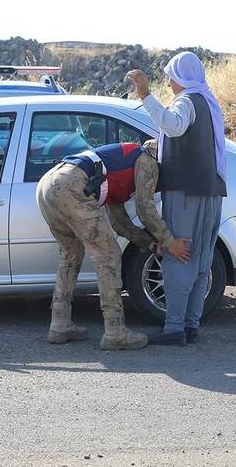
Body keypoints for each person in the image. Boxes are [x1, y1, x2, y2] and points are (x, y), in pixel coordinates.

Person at [36, 140, 190, 350]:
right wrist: (170, 242)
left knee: (70, 255)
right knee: (108, 255)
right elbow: (145, 208)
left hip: (49, 183)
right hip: (70, 184)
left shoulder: (117, 168)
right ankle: (115, 332)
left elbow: (120, 224)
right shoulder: (149, 159)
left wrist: (153, 245)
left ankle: (60, 324)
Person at [125, 51, 227, 345]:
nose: (168, 82)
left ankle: (173, 329)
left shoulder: (186, 102)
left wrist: (145, 95)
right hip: (210, 192)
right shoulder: (207, 101)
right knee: (201, 260)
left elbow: (174, 126)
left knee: (179, 255)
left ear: (182, 77)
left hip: (186, 193)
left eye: (171, 75)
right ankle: (190, 326)